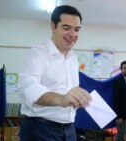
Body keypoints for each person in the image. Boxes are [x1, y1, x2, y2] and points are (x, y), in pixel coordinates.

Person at [18, 5, 91, 141]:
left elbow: (67, 93)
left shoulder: (73, 58)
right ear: (53, 26)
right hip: (40, 129)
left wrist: (78, 100)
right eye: (66, 28)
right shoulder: (38, 53)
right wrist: (61, 99)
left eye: (77, 29)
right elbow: (27, 87)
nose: (73, 34)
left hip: (69, 129)